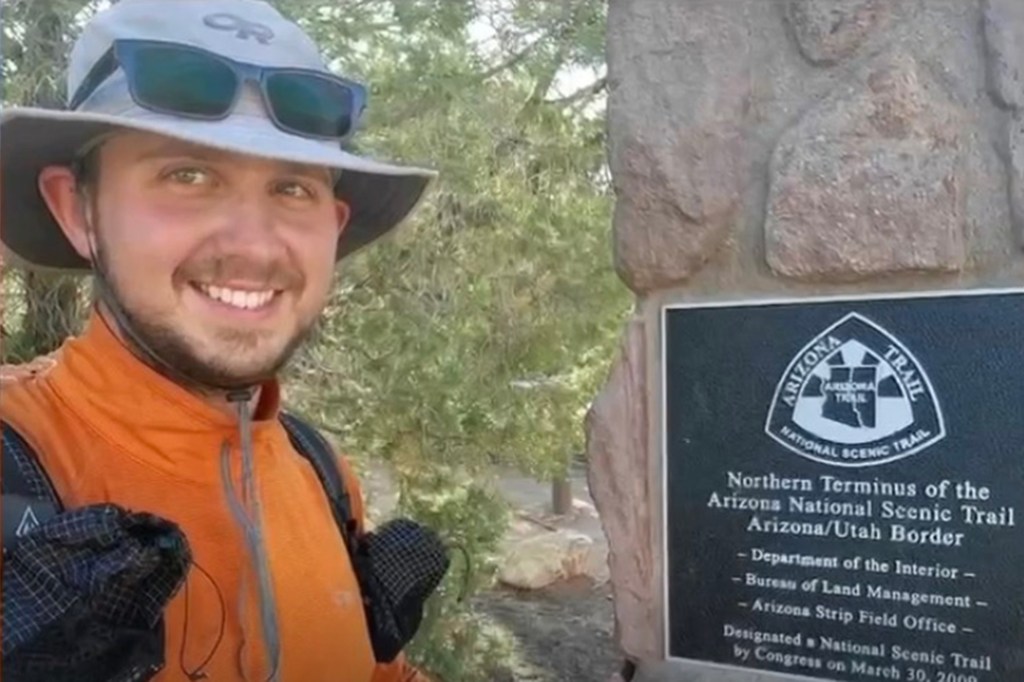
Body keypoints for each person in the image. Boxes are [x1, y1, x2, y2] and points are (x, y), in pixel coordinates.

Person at [0, 0, 441, 680]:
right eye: (188, 175)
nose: (254, 247)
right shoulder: (14, 467)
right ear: (77, 210)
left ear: (335, 223)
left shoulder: (318, 471)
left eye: (292, 188)